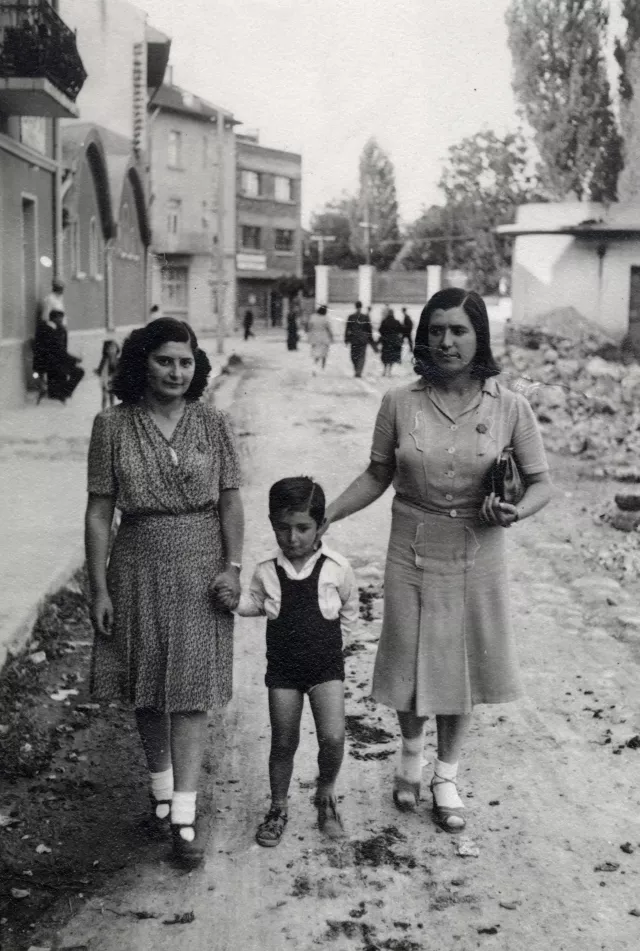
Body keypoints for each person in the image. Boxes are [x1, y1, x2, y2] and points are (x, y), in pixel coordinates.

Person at [322, 288, 552, 833]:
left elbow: (541, 483)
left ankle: (446, 776)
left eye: (459, 330)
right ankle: (410, 755)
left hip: (479, 548)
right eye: (437, 330)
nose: (447, 341)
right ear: (423, 335)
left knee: (463, 661)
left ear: (480, 337)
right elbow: (378, 474)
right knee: (409, 652)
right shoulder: (399, 401)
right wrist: (328, 513)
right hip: (412, 542)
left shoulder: (510, 405)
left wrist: (516, 512)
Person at [85, 317, 244, 868]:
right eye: (164, 360)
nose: (177, 371)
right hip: (137, 565)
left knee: (190, 688)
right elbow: (100, 510)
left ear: (197, 366)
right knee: (147, 682)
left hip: (201, 565)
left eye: (186, 361)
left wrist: (233, 566)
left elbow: (230, 502)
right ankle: (159, 787)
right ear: (142, 363)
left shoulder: (215, 423)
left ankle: (184, 814)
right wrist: (98, 585)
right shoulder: (112, 426)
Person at [213, 477, 358, 847]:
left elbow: (349, 613)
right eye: (283, 528)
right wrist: (233, 602)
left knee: (333, 736)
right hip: (284, 671)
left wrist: (337, 654)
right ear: (272, 523)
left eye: (303, 528)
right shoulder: (266, 571)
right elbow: (254, 605)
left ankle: (325, 794)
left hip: (326, 669)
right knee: (283, 740)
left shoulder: (337, 568)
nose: (293, 538)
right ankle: (278, 807)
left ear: (321, 525)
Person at [33, 308, 84, 403]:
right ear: (55, 318)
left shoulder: (53, 328)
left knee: (73, 371)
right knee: (78, 372)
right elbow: (58, 350)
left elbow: (61, 350)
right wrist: (74, 359)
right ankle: (64, 393)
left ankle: (61, 392)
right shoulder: (49, 330)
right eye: (60, 318)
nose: (61, 320)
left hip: (52, 361)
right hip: (50, 362)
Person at [344, 301, 376, 378]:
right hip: (363, 339)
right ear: (361, 307)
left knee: (353, 356)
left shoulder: (351, 317)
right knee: (361, 356)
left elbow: (347, 329)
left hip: (354, 339)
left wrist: (346, 339)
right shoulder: (365, 317)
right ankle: (359, 370)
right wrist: (371, 340)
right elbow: (369, 330)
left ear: (355, 306)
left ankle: (357, 370)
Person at [94, 339, 120, 410]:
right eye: (110, 348)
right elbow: (100, 369)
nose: (112, 350)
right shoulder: (104, 359)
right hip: (104, 380)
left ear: (117, 349)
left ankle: (112, 408)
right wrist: (97, 371)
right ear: (106, 350)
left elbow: (117, 370)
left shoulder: (116, 359)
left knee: (112, 396)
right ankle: (103, 409)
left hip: (112, 380)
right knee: (104, 397)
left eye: (114, 348)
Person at [378, 308, 404, 377]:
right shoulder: (396, 322)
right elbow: (401, 330)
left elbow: (380, 330)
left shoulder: (384, 321)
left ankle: (384, 370)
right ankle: (390, 371)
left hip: (386, 341)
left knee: (385, 356)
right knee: (392, 356)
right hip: (394, 341)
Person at [307, 304, 334, 372]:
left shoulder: (313, 317)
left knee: (316, 352)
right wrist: (331, 336)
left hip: (315, 337)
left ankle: (315, 365)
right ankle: (323, 367)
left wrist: (309, 336)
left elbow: (309, 327)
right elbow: (328, 329)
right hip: (324, 337)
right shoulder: (325, 318)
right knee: (324, 352)